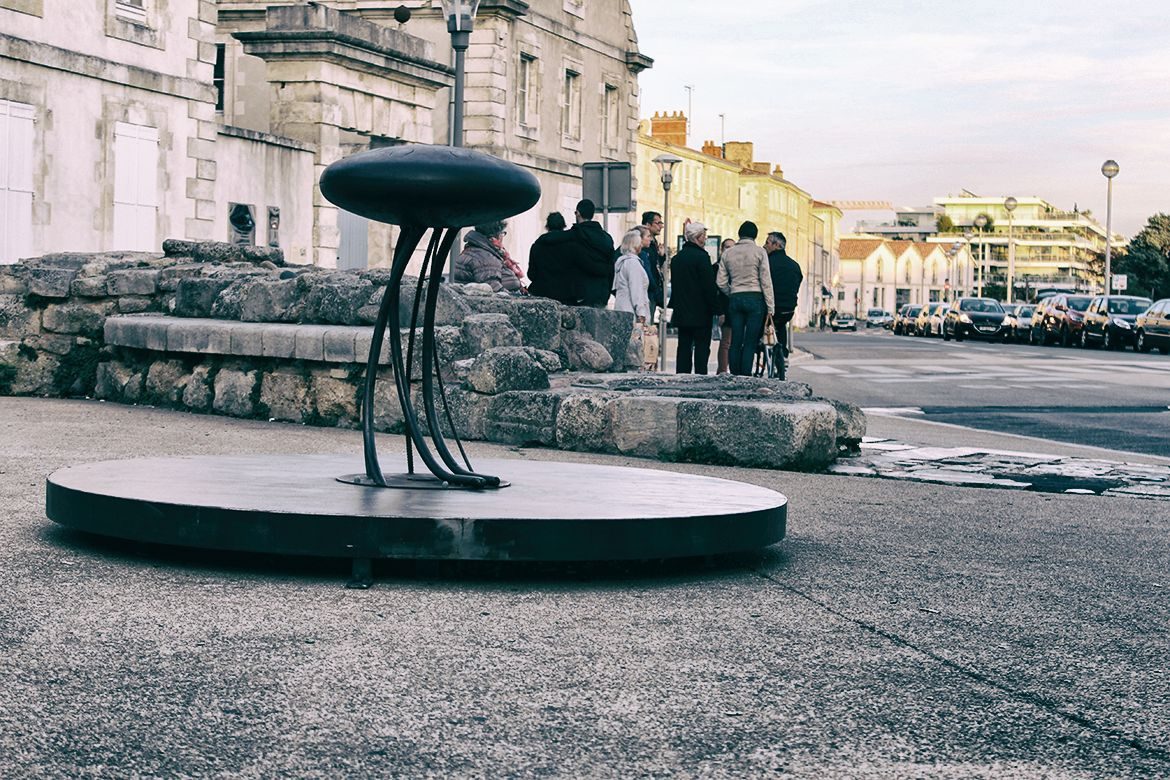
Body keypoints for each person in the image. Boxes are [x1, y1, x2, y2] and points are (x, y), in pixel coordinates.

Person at [717, 220, 774, 376]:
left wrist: (732, 292)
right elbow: (766, 280)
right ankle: (746, 374)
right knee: (750, 340)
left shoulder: (728, 253)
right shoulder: (759, 252)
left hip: (735, 297)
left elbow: (720, 281)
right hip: (755, 297)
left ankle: (735, 373)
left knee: (736, 339)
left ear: (739, 234)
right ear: (755, 235)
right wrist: (770, 306)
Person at [669, 221, 718, 374]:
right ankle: (700, 377)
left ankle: (682, 375)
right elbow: (708, 287)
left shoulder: (676, 259)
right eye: (704, 236)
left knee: (683, 346)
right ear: (698, 237)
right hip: (701, 311)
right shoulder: (702, 258)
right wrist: (717, 309)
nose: (705, 239)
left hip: (682, 310)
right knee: (702, 347)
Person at [764, 230, 803, 379]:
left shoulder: (767, 264)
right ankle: (784, 354)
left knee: (766, 324)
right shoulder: (794, 266)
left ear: (776, 245)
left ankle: (762, 347)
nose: (764, 245)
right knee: (781, 326)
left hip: (771, 309)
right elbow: (798, 282)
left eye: (767, 242)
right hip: (789, 309)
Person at [563, 199, 615, 307]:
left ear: (578, 213)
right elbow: (611, 268)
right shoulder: (606, 238)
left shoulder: (574, 236)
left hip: (579, 294)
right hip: (601, 293)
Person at [453, 220, 521, 293]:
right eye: (502, 233)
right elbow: (494, 290)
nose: (502, 237)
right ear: (493, 237)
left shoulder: (476, 251)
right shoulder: (485, 258)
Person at [527, 212, 577, 304]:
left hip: (542, 294)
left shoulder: (537, 246)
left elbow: (531, 274)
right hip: (566, 295)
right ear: (563, 226)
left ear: (547, 226)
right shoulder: (572, 246)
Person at [612, 229, 650, 323]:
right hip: (631, 312)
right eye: (639, 243)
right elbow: (636, 290)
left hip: (621, 308)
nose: (641, 245)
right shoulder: (633, 264)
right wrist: (641, 313)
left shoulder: (622, 262)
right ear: (635, 245)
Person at [639, 211, 666, 321]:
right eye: (657, 223)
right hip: (647, 291)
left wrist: (661, 256)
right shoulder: (643, 245)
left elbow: (655, 265)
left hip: (652, 291)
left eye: (661, 223)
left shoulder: (654, 244)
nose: (661, 226)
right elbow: (648, 268)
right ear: (647, 225)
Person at [715, 237, 735, 374]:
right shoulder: (717, 267)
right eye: (727, 247)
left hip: (735, 307)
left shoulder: (736, 267)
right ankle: (722, 370)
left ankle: (731, 369)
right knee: (726, 342)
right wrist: (720, 311)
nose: (730, 250)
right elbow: (715, 291)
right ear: (721, 250)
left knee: (733, 342)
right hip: (724, 308)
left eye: (732, 247)